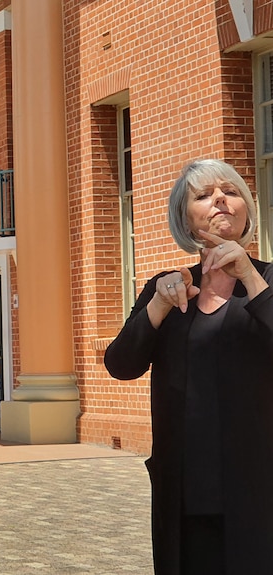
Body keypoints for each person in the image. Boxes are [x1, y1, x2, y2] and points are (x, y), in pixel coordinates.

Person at [104, 159, 273, 574]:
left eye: (230, 192)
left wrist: (251, 279)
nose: (220, 200)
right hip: (185, 492)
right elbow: (121, 365)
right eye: (203, 195)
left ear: (246, 208)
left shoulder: (267, 281)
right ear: (185, 216)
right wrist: (158, 306)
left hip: (260, 493)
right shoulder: (168, 286)